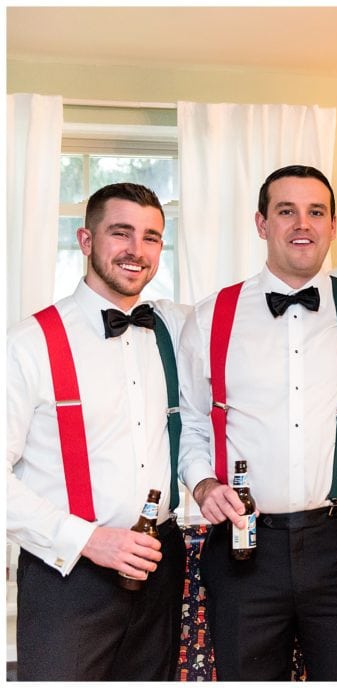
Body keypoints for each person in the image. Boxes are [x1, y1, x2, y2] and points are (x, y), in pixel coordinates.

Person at [176, 164, 337, 681]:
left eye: (316, 212)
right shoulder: (212, 315)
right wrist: (203, 481)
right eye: (286, 211)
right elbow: (190, 420)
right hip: (243, 548)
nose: (302, 223)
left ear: (333, 225)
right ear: (261, 224)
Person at [7, 182, 188, 680]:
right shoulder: (27, 344)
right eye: (121, 233)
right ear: (86, 241)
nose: (137, 250)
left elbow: (255, 311)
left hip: (160, 566)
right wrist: (87, 539)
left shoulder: (174, 327)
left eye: (151, 237)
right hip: (66, 577)